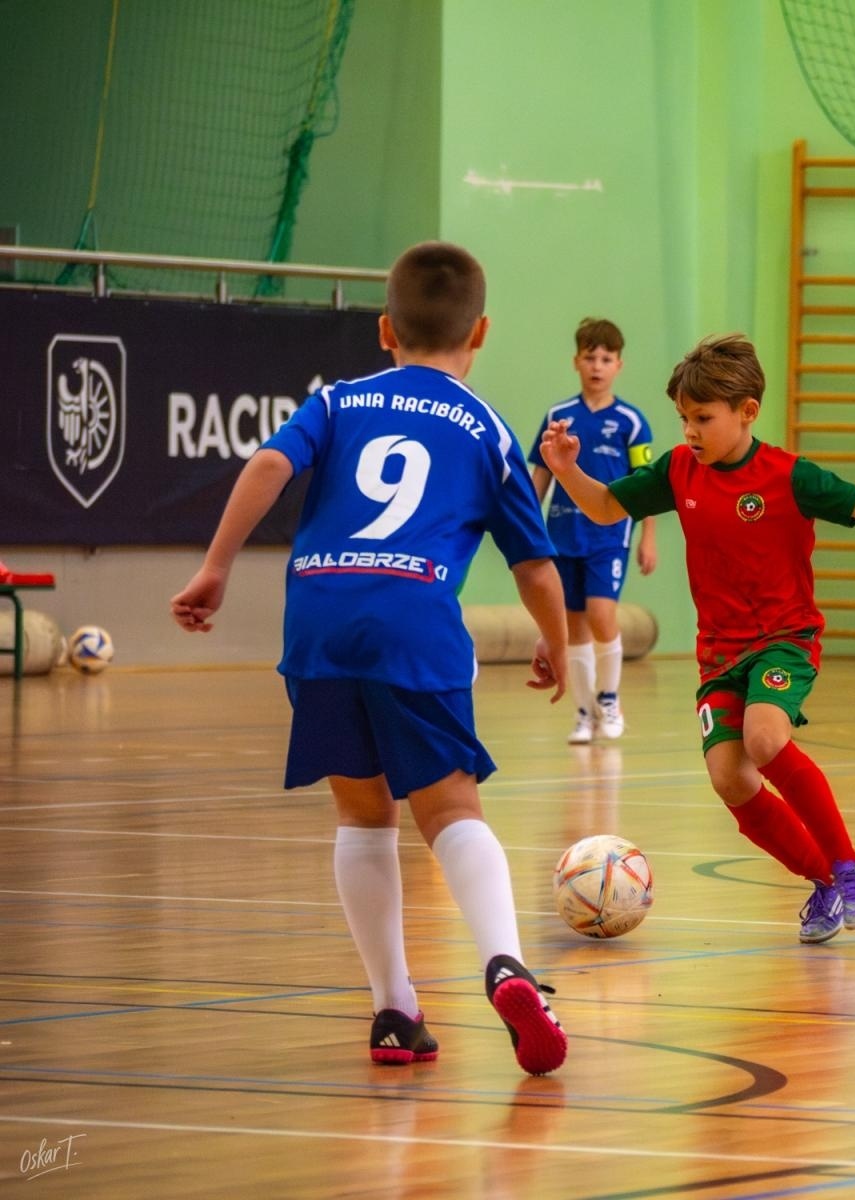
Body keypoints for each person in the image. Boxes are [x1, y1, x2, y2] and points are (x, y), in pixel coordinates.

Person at [170, 242, 571, 1075]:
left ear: (385, 328)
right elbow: (533, 565)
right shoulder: (488, 428)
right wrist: (556, 643)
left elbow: (270, 463)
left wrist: (215, 566)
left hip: (316, 617)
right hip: (412, 620)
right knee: (451, 810)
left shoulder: (341, 399)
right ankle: (507, 964)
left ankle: (394, 1009)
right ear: (482, 332)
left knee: (362, 815)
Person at [540, 333, 855, 944]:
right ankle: (825, 882)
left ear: (747, 411)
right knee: (729, 777)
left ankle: (854, 867)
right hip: (719, 653)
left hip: (783, 638)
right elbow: (607, 508)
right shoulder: (677, 468)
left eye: (702, 418)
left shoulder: (786, 476)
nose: (690, 430)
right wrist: (567, 471)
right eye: (684, 419)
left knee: (765, 735)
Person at [528, 318, 657, 745]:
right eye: (590, 357)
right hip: (562, 536)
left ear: (619, 365)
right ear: (576, 362)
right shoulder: (558, 416)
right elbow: (540, 478)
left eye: (606, 358)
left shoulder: (631, 422)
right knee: (574, 626)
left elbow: (647, 484)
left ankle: (609, 698)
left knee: (603, 617)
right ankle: (583, 713)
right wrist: (523, 523)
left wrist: (648, 537)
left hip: (609, 537)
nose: (597, 366)